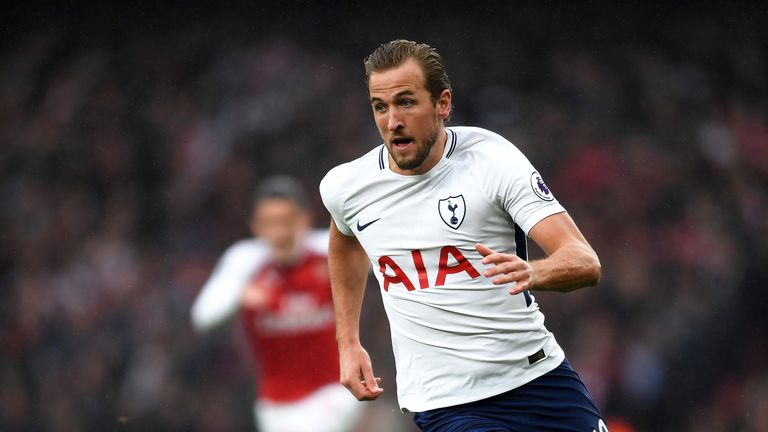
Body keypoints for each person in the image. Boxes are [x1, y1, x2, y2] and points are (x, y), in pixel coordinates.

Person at [319, 40, 608, 431]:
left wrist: (535, 273)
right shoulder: (348, 186)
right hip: (449, 403)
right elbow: (345, 239)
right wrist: (348, 342)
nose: (392, 121)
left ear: (442, 104)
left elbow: (584, 261)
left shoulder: (491, 161)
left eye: (406, 102)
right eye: (380, 106)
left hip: (539, 379)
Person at [191, 176, 363, 432]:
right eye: (270, 223)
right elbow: (202, 317)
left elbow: (387, 256)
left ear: (303, 219)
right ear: (256, 226)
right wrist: (238, 295)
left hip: (333, 391)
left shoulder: (329, 249)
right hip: (275, 404)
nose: (280, 231)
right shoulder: (244, 262)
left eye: (286, 221)